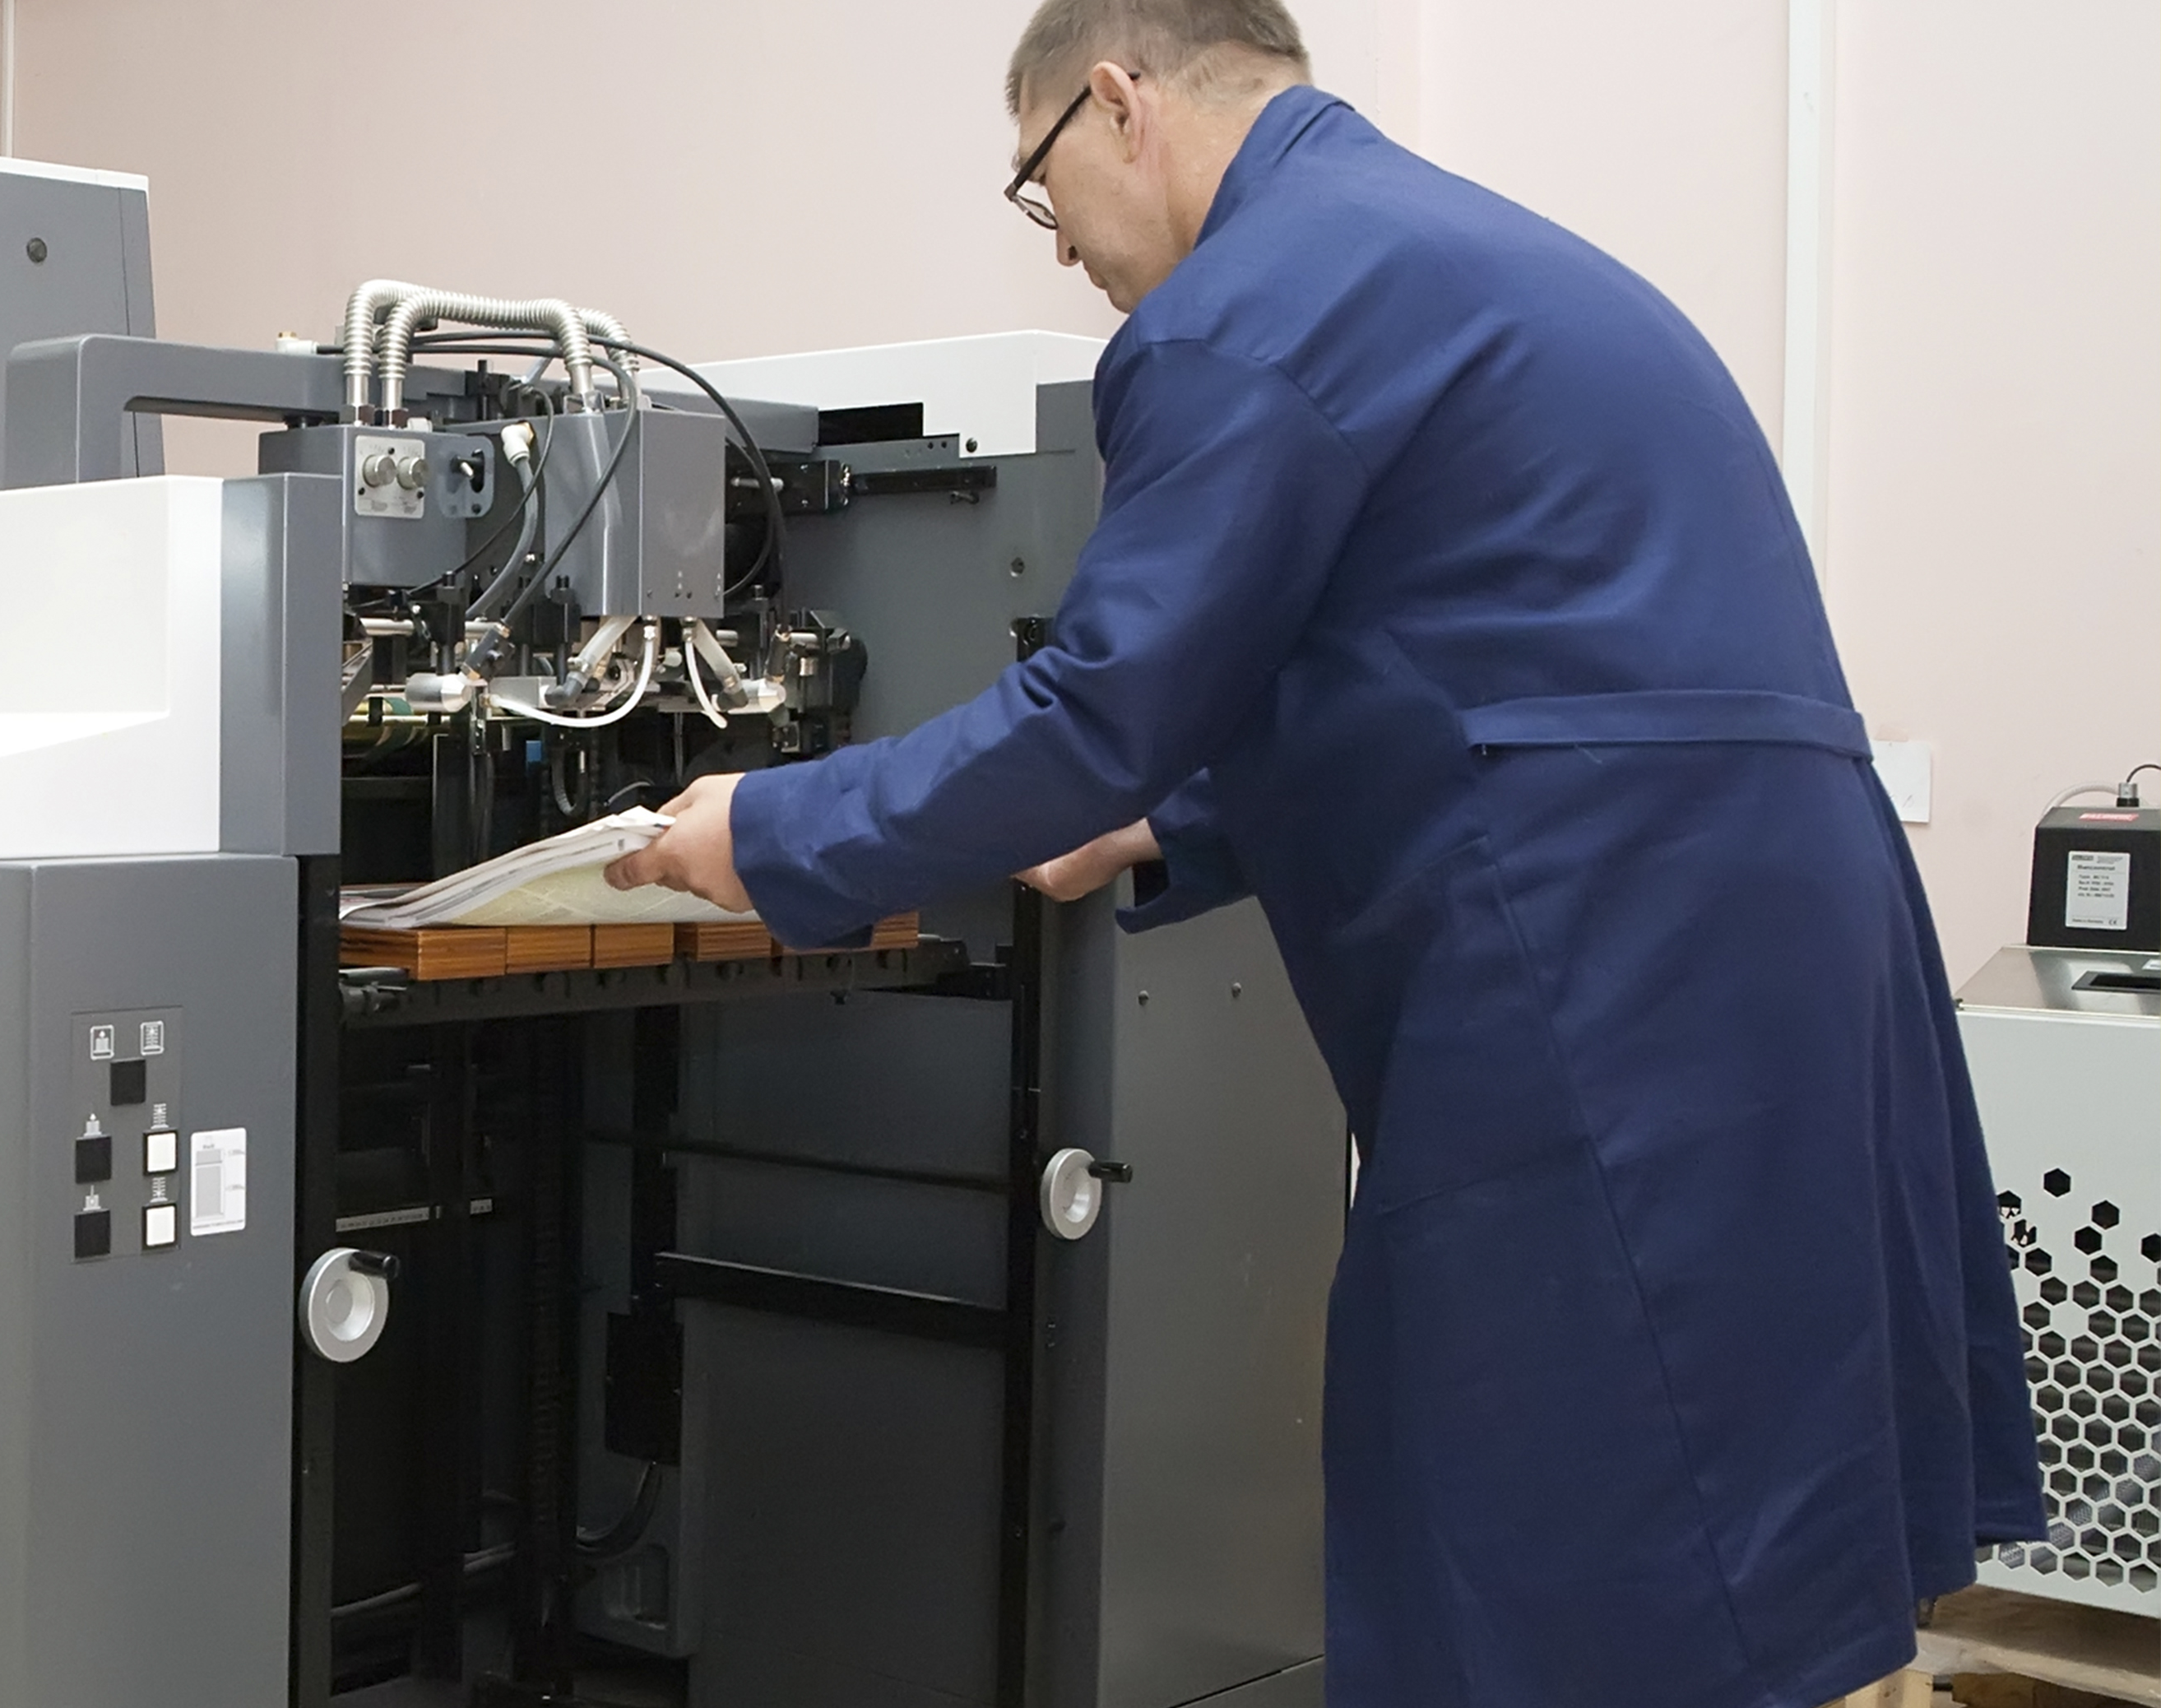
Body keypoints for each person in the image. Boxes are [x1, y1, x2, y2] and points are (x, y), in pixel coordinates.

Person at [604, 2, 2042, 1704]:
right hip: (1773, 909)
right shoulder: (1455, 250)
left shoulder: (1247, 307)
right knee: (1733, 1462)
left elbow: (1095, 707)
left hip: (1600, 940)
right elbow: (1461, 662)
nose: (1058, 243)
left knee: (1539, 1484)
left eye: (1039, 183)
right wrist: (1167, 820)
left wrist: (774, 830)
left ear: (1119, 101)